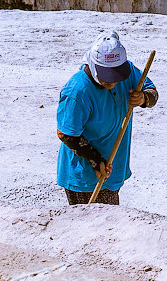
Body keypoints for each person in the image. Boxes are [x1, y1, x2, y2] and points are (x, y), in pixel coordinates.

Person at [56, 31, 158, 205]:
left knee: (111, 227)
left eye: (117, 76)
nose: (113, 82)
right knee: (89, 228)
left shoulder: (128, 71)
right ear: (95, 66)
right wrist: (96, 160)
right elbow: (66, 134)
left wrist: (143, 98)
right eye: (107, 77)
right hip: (85, 179)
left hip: (114, 170)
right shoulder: (77, 91)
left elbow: (152, 93)